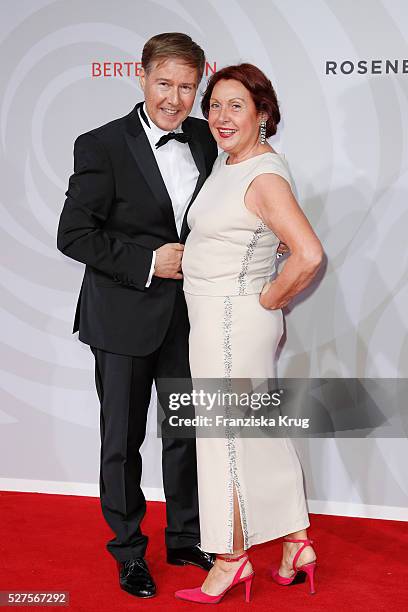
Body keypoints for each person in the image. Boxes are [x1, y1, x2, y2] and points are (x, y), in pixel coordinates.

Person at [57, 32, 218, 599]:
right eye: (164, 83)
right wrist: (150, 261)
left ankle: (184, 536)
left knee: (184, 433)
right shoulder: (100, 144)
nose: (174, 97)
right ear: (141, 75)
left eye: (187, 86)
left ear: (199, 85)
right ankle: (129, 552)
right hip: (123, 316)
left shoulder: (204, 138)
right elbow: (73, 234)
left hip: (188, 316)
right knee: (121, 442)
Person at [175, 63, 324, 604]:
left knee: (224, 441)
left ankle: (230, 559)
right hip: (219, 319)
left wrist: (267, 298)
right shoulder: (232, 165)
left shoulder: (261, 173)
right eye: (214, 104)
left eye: (236, 105)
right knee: (253, 431)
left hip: (231, 322)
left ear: (263, 114)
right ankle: (295, 544)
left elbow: (307, 255)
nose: (220, 115)